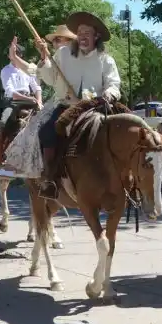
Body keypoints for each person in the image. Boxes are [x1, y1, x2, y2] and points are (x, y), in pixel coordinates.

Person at [33, 11, 121, 200]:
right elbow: (49, 78)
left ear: (96, 36)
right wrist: (44, 57)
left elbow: (114, 85)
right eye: (80, 32)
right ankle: (50, 178)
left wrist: (108, 94)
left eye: (87, 33)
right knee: (47, 132)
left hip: (96, 108)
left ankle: (125, 179)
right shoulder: (63, 54)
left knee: (119, 133)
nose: (82, 36)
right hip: (67, 107)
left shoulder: (106, 60)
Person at [0, 41, 42, 139]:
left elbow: (36, 87)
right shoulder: (5, 70)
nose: (16, 56)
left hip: (29, 99)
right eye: (13, 53)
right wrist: (29, 99)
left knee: (45, 117)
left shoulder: (29, 68)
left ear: (21, 55)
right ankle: (2, 145)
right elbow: (10, 91)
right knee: (5, 119)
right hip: (13, 100)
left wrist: (39, 101)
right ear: (9, 55)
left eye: (18, 53)